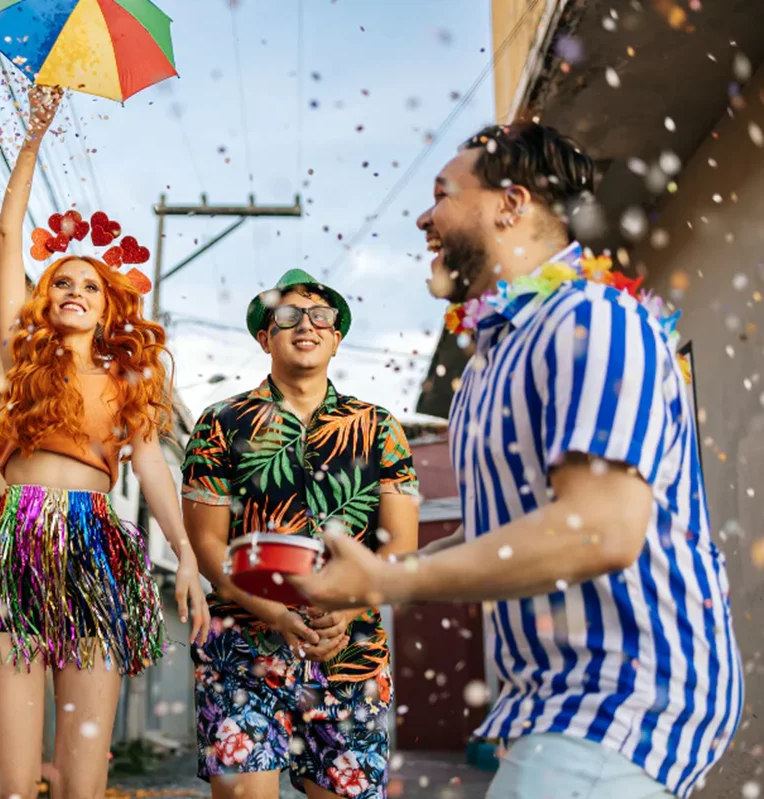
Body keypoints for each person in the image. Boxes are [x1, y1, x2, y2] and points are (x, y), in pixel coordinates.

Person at [290, 123, 743, 799]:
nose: (423, 216)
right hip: (548, 703)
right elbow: (513, 536)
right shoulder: (485, 370)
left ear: (511, 202)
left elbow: (598, 530)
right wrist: (373, 580)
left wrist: (394, 582)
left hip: (630, 691)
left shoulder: (598, 319)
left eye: (443, 193)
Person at [0, 85, 209, 799]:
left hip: (95, 550)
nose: (74, 290)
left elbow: (151, 463)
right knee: (13, 778)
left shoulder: (126, 381)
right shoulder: (20, 354)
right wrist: (31, 139)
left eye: (89, 283)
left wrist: (184, 552)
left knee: (86, 779)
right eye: (62, 281)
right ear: (45, 296)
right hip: (16, 540)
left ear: (108, 301)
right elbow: (6, 237)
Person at [181, 268, 420, 799]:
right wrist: (274, 613)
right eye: (287, 315)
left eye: (320, 316)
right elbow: (207, 546)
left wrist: (351, 609)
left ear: (336, 337)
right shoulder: (220, 422)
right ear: (265, 336)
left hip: (350, 652)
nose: (305, 324)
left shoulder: (380, 428)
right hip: (241, 651)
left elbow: (400, 546)